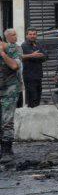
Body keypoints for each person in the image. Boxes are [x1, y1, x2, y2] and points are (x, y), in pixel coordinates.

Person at [0, 29, 21, 159]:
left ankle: (7, 150)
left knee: (7, 121)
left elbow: (14, 66)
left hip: (9, 90)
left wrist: (2, 53)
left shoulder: (14, 49)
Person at [19, 29, 45, 108]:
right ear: (27, 35)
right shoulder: (24, 45)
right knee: (32, 98)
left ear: (36, 35)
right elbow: (30, 57)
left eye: (34, 34)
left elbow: (46, 55)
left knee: (38, 96)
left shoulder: (38, 44)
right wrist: (34, 55)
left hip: (38, 75)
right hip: (29, 76)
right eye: (30, 34)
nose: (32, 36)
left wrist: (40, 56)